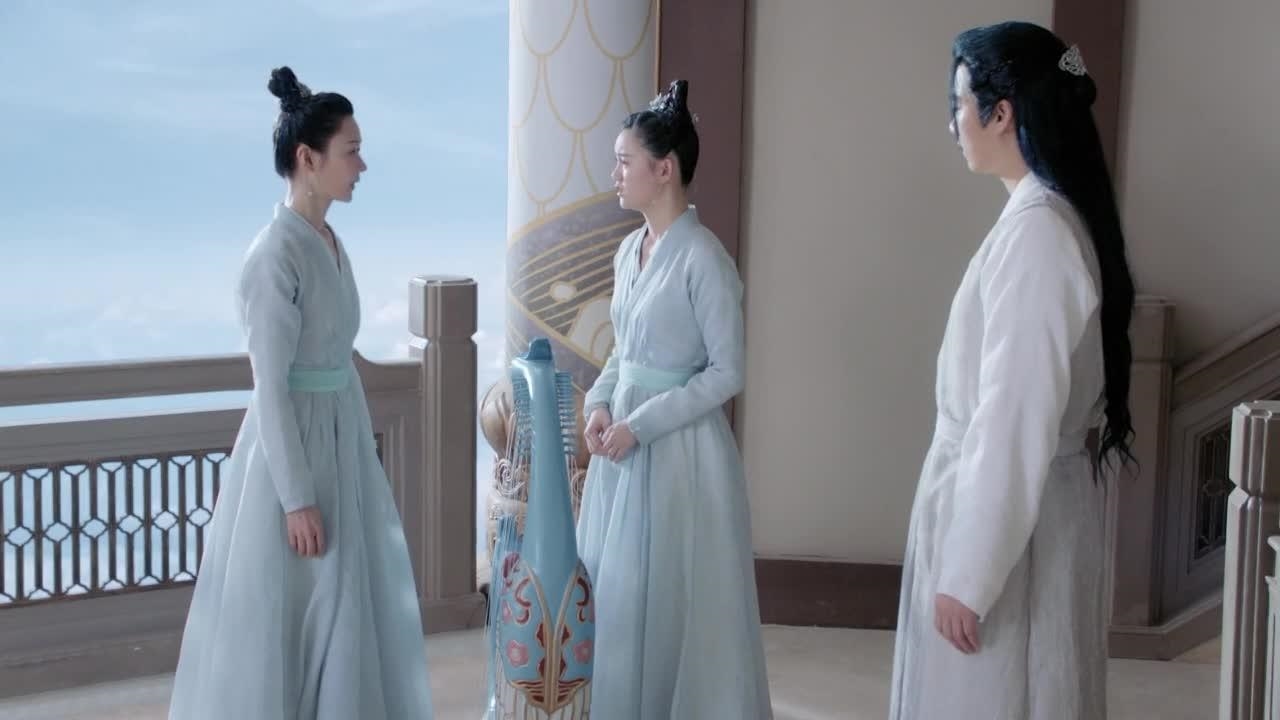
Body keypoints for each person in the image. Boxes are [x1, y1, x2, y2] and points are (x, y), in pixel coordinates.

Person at [168, 67, 434, 720]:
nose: (361, 165)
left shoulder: (329, 242)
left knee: (346, 600)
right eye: (351, 151)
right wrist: (295, 498)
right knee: (298, 611)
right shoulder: (274, 256)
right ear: (307, 159)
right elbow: (271, 387)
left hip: (341, 437)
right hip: (296, 449)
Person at [888, 21, 1137, 719]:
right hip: (1024, 515)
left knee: (997, 695)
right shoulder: (1039, 221)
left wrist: (970, 574)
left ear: (1001, 113)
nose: (953, 125)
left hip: (1015, 537)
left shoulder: (1038, 236)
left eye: (959, 105)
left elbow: (1013, 417)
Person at [574, 79, 774, 719]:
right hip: (622, 448)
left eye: (624, 162)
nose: (615, 174)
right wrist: (599, 404)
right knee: (621, 591)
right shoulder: (628, 251)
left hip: (682, 456)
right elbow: (623, 351)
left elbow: (727, 372)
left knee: (674, 599)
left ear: (664, 170)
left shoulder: (704, 260)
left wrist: (641, 423)